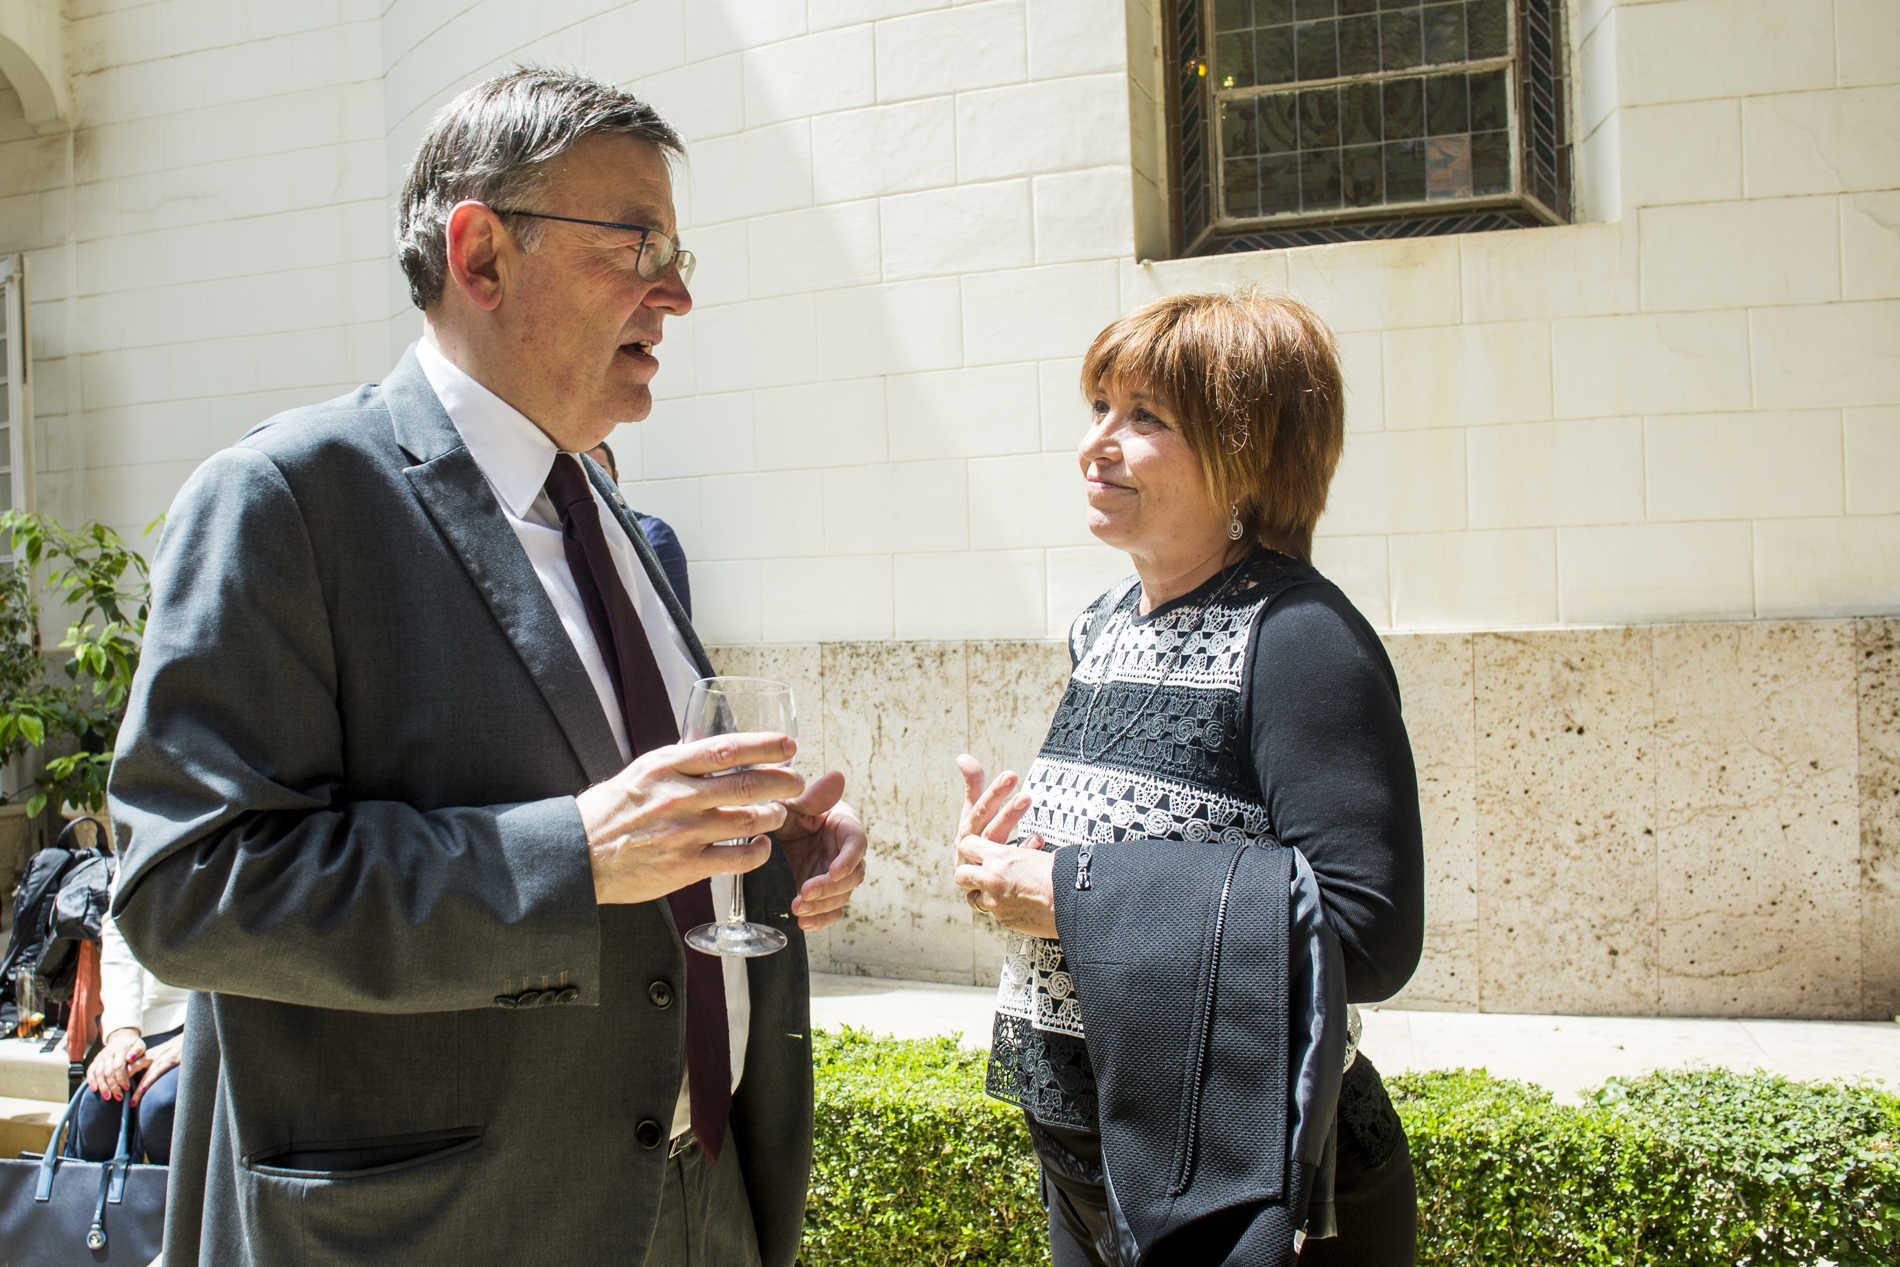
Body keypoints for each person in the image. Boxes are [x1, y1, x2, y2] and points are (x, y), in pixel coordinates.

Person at [107, 68, 867, 1267]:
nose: (675, 293)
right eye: (637, 245)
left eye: (677, 253)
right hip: (446, 1230)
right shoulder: (288, 499)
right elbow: (188, 891)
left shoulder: (610, 517)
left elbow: (632, 826)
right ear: (482, 255)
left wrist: (763, 855)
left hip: (698, 1203)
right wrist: (571, 855)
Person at [953, 290, 1424, 1265]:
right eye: (1098, 407)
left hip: (1249, 1191)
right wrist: (1009, 864)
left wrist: (1067, 893)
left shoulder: (1300, 640)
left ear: (1247, 452)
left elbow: (1367, 931)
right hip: (1094, 1165)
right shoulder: (1101, 625)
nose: (1095, 446)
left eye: (1146, 417)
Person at [76, 906, 187, 1163]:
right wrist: (121, 1032)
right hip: (151, 1017)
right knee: (99, 1104)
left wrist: (198, 1038)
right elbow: (120, 925)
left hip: (228, 1019)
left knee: (164, 1106)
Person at [585, 438, 692, 615]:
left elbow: (678, 618)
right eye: (582, 471)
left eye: (600, 470)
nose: (591, 480)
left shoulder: (653, 535)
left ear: (615, 477)